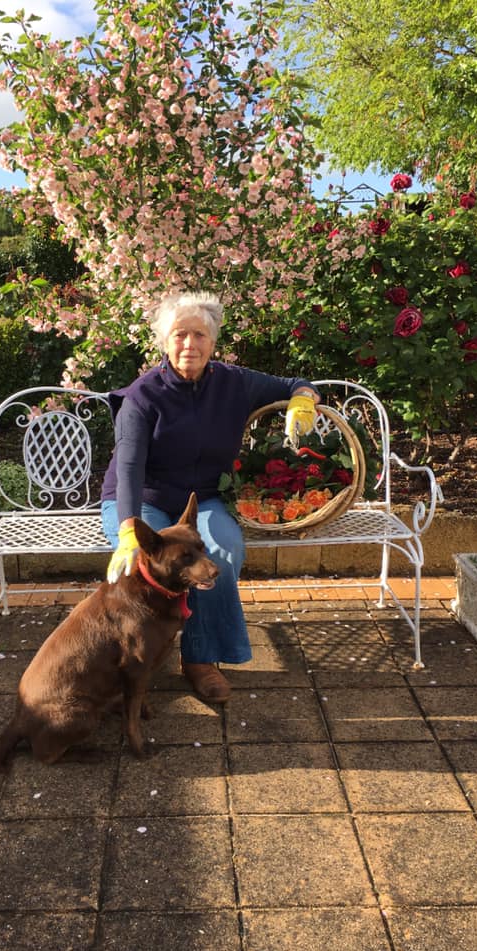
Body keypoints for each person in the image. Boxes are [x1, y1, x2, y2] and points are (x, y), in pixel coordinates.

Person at [100, 291, 321, 704]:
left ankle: (200, 659)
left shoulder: (234, 383)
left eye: (199, 335)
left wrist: (304, 400)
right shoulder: (142, 396)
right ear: (165, 342)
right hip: (141, 501)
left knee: (223, 549)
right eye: (180, 335)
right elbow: (128, 466)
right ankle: (140, 656)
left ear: (213, 341)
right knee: (146, 562)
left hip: (200, 499)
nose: (190, 344)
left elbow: (295, 383)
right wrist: (129, 529)